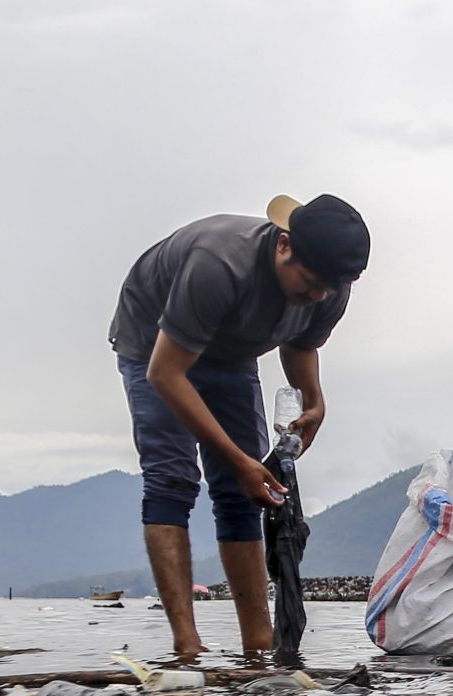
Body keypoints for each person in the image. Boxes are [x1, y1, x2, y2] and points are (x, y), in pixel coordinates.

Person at [110, 194, 370, 660]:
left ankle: (258, 645)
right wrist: (237, 460)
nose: (317, 296)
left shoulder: (329, 285)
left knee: (245, 493)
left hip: (231, 355)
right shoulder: (219, 263)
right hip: (154, 343)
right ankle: (187, 646)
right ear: (284, 246)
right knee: (173, 480)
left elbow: (300, 343)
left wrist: (315, 399)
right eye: (310, 283)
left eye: (327, 290)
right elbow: (166, 374)